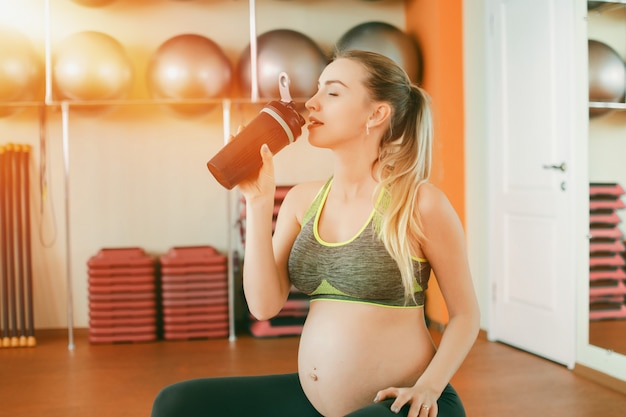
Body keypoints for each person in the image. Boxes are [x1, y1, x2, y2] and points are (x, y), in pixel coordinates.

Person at [151, 49, 480, 417]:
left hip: (406, 406)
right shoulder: (301, 199)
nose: (312, 103)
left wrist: (428, 387)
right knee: (177, 405)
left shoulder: (419, 203)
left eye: (333, 93)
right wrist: (258, 205)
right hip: (314, 402)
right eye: (318, 89)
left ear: (376, 114)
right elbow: (263, 306)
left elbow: (465, 315)